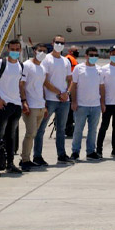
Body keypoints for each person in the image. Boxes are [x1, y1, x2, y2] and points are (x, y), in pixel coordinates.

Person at [0, 39, 25, 175]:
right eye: (12, 49)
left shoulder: (20, 65)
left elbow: (19, 84)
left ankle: (10, 163)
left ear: (20, 50)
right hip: (3, 104)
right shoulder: (0, 63)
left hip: (16, 104)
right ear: (8, 49)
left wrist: (22, 101)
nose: (14, 51)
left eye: (17, 49)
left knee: (11, 136)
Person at [37, 35, 73, 164]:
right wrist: (59, 93)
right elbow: (44, 81)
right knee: (41, 128)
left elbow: (70, 80)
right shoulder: (46, 59)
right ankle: (37, 156)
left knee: (61, 129)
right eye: (57, 42)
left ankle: (61, 154)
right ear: (52, 43)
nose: (59, 44)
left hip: (64, 100)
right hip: (50, 99)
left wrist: (67, 93)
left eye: (62, 43)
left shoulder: (65, 61)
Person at [69, 47, 104, 161]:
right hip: (81, 105)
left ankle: (90, 151)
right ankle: (75, 151)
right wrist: (74, 101)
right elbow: (73, 86)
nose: (93, 57)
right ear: (86, 56)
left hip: (95, 105)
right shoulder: (79, 68)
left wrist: (102, 103)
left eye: (95, 55)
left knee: (93, 130)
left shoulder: (100, 70)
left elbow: (101, 87)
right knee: (78, 129)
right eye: (91, 55)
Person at [18, 43, 48, 171]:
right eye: (40, 50)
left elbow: (41, 86)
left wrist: (44, 104)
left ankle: (28, 158)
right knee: (30, 133)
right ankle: (24, 160)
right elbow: (21, 84)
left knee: (34, 133)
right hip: (31, 105)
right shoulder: (27, 65)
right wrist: (24, 101)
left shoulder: (42, 68)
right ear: (34, 51)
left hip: (40, 105)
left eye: (44, 51)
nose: (42, 53)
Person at [64, 46, 80, 139]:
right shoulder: (68, 59)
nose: (77, 52)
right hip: (70, 88)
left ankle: (69, 128)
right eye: (75, 51)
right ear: (70, 51)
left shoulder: (72, 59)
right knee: (69, 112)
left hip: (72, 87)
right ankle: (68, 128)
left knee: (71, 111)